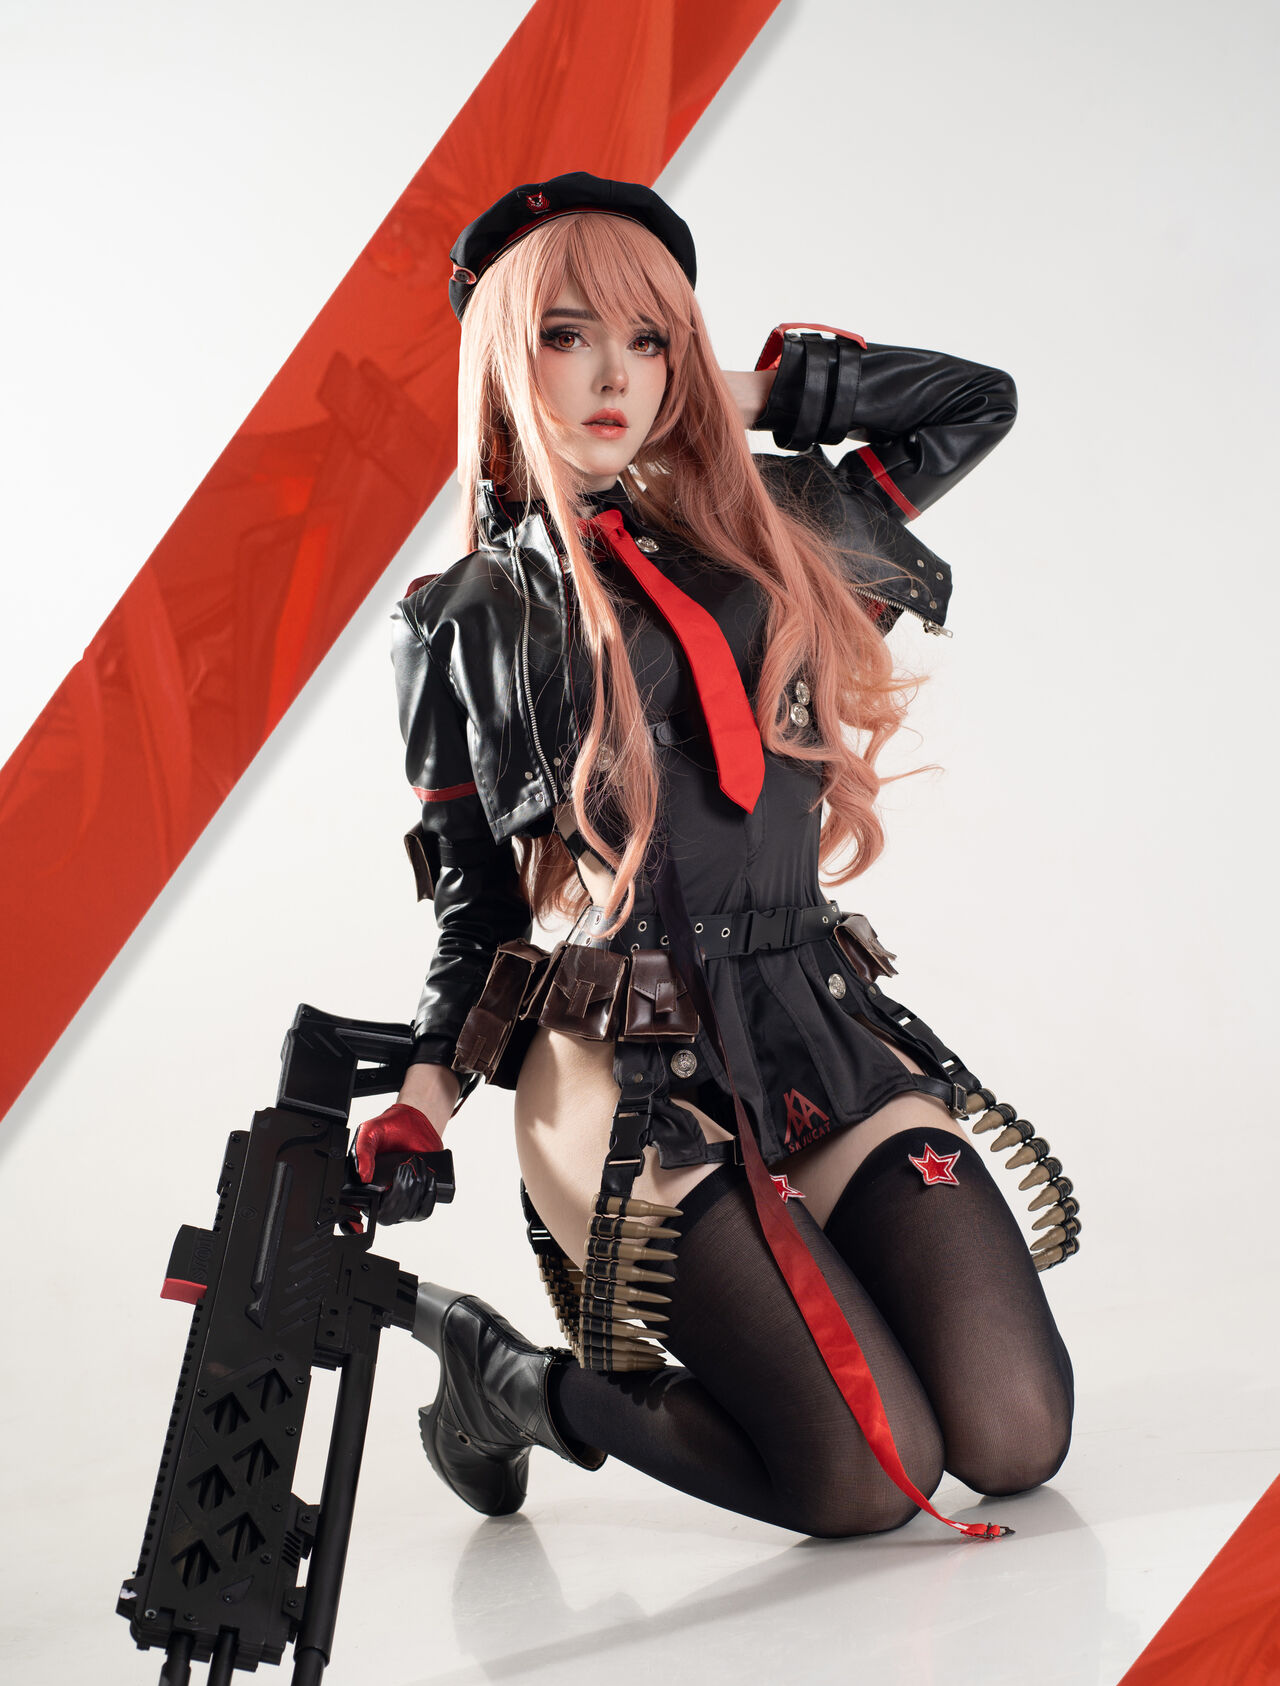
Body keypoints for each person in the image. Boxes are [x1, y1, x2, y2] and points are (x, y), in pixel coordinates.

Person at [354, 172, 1077, 1541]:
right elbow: (475, 907)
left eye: (648, 340)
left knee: (1013, 1432)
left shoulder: (769, 527)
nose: (612, 377)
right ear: (505, 357)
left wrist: (731, 395)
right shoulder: (461, 618)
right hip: (620, 1065)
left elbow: (975, 401)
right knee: (863, 1485)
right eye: (566, 336)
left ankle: (813, 1308)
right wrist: (423, 1100)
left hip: (811, 1018)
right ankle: (510, 1385)